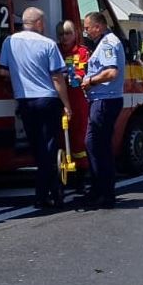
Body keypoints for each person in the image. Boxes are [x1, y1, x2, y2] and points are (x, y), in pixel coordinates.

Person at [0, 7, 72, 208]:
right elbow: (57, 78)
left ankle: (50, 191)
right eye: (43, 22)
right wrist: (67, 105)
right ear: (39, 23)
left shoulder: (9, 42)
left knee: (37, 148)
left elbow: (3, 72)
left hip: (25, 101)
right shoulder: (48, 44)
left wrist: (19, 78)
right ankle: (45, 194)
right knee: (49, 146)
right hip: (47, 100)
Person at [80, 12, 126, 209]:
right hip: (103, 99)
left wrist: (90, 81)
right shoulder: (104, 42)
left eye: (87, 27)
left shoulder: (107, 43)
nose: (86, 31)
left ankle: (103, 192)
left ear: (98, 26)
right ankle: (100, 190)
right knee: (97, 145)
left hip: (105, 100)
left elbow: (111, 72)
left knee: (96, 145)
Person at [57, 20, 90, 190]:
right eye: (61, 34)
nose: (64, 37)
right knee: (61, 137)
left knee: (78, 137)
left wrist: (77, 76)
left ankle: (81, 175)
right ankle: (63, 172)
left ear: (75, 34)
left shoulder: (82, 52)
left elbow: (83, 72)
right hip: (58, 99)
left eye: (68, 33)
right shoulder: (55, 50)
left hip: (77, 99)